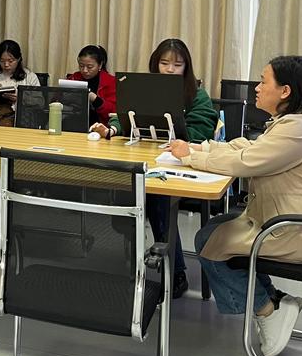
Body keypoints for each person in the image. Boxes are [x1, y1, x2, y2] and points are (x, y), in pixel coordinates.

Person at [169, 55, 302, 356]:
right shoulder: (297, 123)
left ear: (285, 91)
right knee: (215, 229)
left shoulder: (298, 129)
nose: (257, 88)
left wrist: (191, 157)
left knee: (208, 243)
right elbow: (251, 148)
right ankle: (275, 299)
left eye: (263, 81)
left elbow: (246, 162)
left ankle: (267, 309)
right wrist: (200, 147)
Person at [90, 38, 218, 298]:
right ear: (155, 64)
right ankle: (136, 261)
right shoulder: (143, 89)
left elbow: (202, 131)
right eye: (164, 63)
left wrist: (177, 138)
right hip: (144, 161)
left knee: (158, 200)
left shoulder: (197, 94)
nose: (170, 69)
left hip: (181, 166)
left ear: (186, 67)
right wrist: (112, 129)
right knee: (125, 191)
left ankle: (176, 273)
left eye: (177, 64)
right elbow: (124, 116)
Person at [0, 39, 39, 126]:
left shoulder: (29, 76)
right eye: (2, 61)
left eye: (10, 61)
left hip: (20, 116)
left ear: (18, 59)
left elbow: (40, 101)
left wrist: (21, 98)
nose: (6, 64)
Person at [65, 45, 116, 125]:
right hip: (73, 121)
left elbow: (113, 112)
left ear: (100, 65)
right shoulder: (74, 78)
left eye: (90, 67)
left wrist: (95, 100)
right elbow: (55, 101)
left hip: (99, 125)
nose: (85, 70)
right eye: (81, 66)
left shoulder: (110, 81)